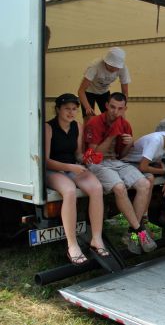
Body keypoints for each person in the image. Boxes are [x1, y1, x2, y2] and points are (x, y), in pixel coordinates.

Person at [84, 92, 156, 254]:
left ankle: (131, 233)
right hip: (97, 163)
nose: (115, 111)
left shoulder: (125, 124)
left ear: (125, 109)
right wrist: (110, 137)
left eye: (120, 108)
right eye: (112, 107)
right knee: (119, 187)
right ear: (106, 106)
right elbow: (93, 155)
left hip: (117, 161)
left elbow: (122, 155)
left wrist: (129, 144)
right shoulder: (95, 122)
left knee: (144, 184)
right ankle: (139, 231)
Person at [45, 93, 108, 265]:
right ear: (58, 109)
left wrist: (85, 159)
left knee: (96, 188)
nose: (71, 112)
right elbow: (46, 161)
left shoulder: (78, 127)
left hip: (72, 167)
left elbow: (77, 154)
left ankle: (96, 238)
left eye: (74, 109)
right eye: (67, 109)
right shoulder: (48, 128)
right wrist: (71, 167)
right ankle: (72, 245)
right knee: (70, 191)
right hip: (52, 170)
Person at [78, 47, 131, 120]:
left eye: (117, 67)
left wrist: (122, 108)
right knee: (89, 118)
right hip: (89, 92)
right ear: (106, 62)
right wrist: (87, 107)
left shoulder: (123, 68)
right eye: (112, 67)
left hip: (104, 92)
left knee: (113, 117)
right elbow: (81, 91)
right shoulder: (95, 66)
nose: (115, 69)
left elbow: (125, 92)